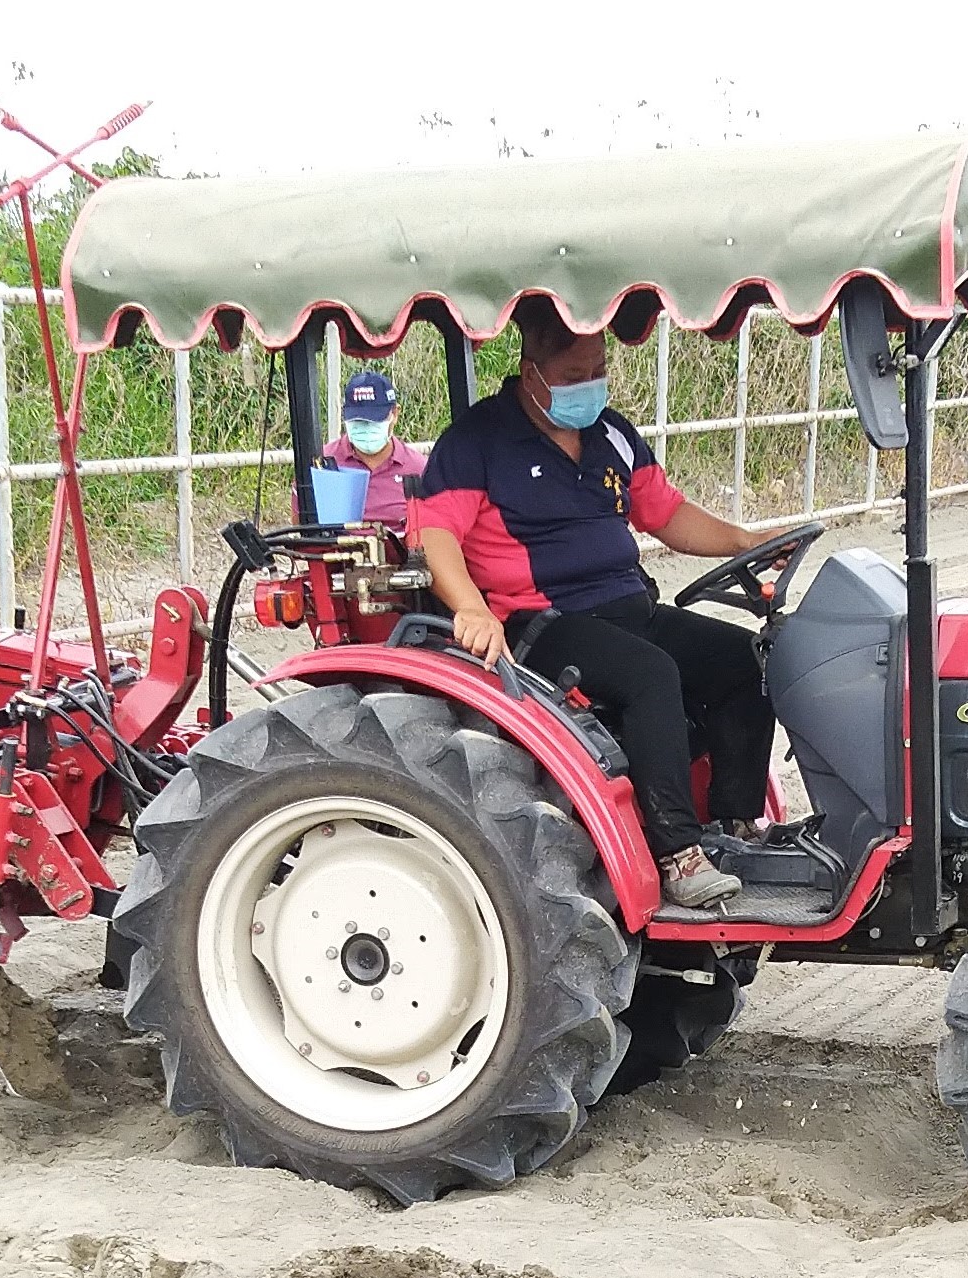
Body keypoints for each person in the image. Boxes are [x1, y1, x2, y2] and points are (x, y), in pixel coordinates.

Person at [409, 301, 770, 914]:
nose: (591, 386)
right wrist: (470, 607)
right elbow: (433, 533)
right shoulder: (478, 442)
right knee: (651, 674)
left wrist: (746, 541)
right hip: (541, 625)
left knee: (745, 659)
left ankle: (732, 825)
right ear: (532, 376)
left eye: (599, 369)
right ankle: (677, 854)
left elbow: (666, 513)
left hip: (629, 607)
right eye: (577, 376)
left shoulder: (612, 435)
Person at [320, 366, 428, 523]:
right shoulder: (322, 465)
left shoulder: (418, 469)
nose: (366, 428)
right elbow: (303, 531)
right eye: (358, 421)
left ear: (395, 414)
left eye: (374, 420)